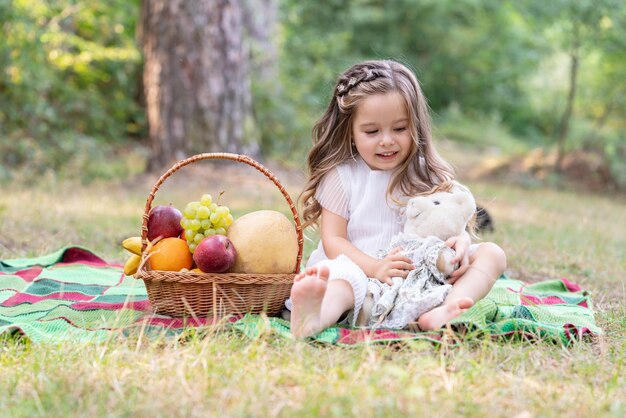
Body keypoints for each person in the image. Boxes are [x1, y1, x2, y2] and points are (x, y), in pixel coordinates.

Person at [288, 60, 506, 338]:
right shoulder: (341, 177)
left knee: (492, 254)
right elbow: (333, 241)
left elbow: (448, 223)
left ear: (416, 126)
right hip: (362, 274)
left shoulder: (427, 173)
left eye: (400, 129)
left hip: (418, 279)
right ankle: (313, 319)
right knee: (340, 277)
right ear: (350, 131)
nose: (387, 141)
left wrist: (461, 242)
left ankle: (443, 311)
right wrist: (375, 267)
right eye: (372, 131)